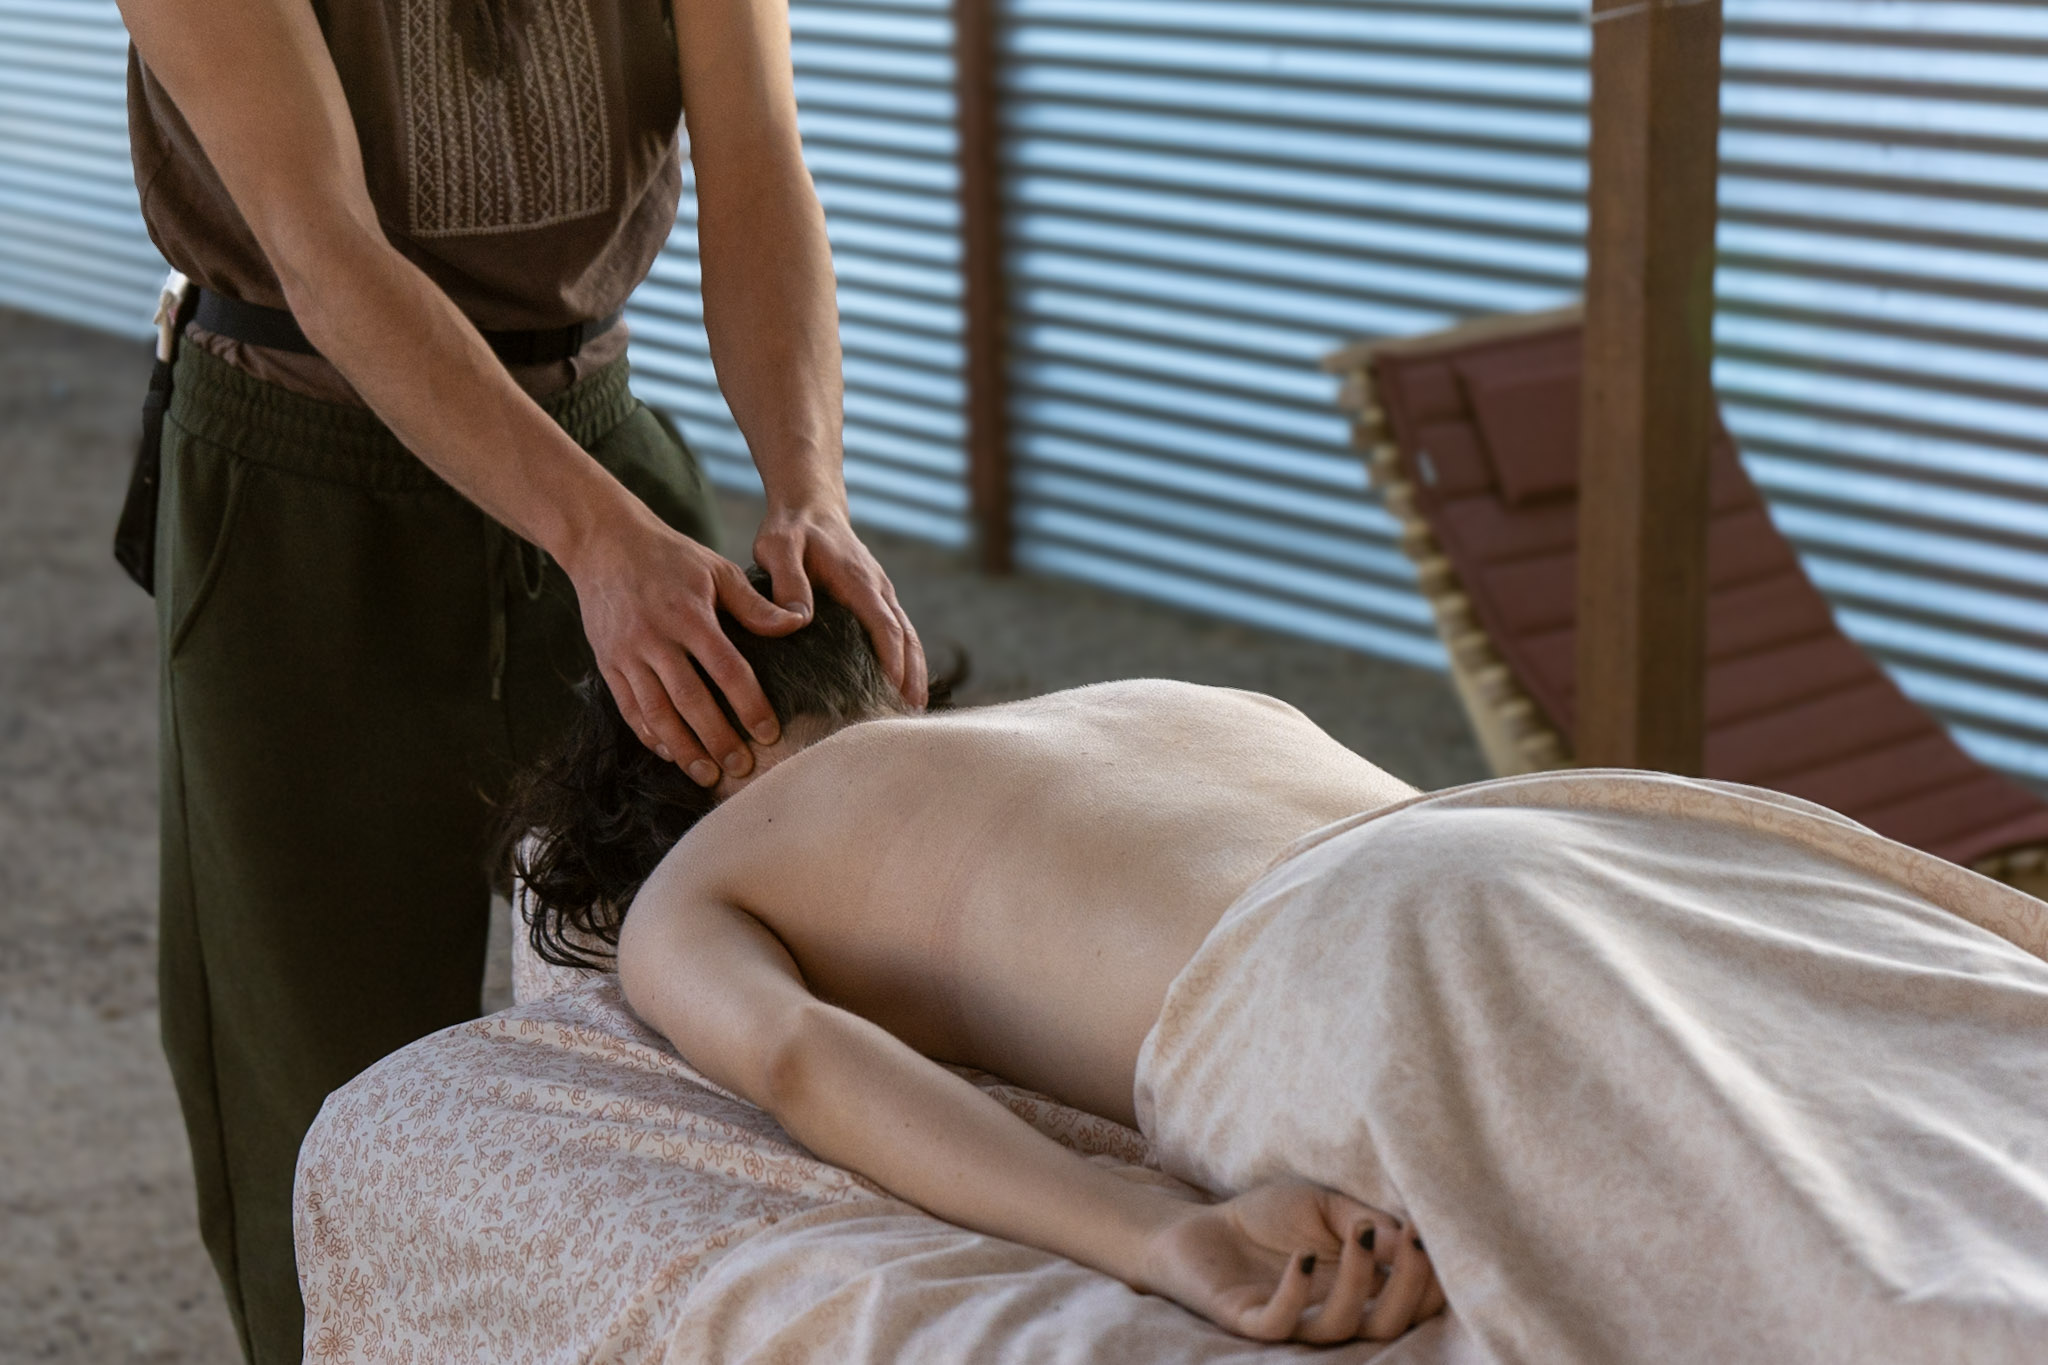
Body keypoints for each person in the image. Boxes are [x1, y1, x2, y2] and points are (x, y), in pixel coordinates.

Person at [508, 578, 2048, 1357]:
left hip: (1365, 937)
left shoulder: (698, 877)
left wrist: (1160, 1231)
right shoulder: (1140, 703)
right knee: (1955, 1128)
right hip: (1583, 835)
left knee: (1836, 1291)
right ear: (879, 668)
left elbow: (797, 1058)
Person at [117, 1, 922, 1360]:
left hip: (601, 440)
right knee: (320, 1079)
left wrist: (809, 485)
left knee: (736, 1037)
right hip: (305, 480)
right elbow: (321, 242)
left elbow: (757, 155)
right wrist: (595, 540)